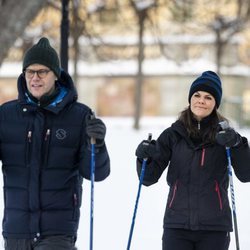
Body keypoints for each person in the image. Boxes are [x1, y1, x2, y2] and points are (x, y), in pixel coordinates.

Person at [0, 37, 110, 250]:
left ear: (56, 75)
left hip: (58, 231)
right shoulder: (6, 115)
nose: (35, 78)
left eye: (42, 72)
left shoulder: (79, 116)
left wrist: (97, 145)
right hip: (16, 230)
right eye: (30, 72)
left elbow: (97, 172)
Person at [135, 71, 250, 250]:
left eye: (208, 97)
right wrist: (144, 158)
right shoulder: (172, 135)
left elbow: (246, 174)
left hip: (215, 228)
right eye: (196, 95)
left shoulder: (225, 136)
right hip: (177, 226)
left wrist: (237, 144)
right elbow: (148, 178)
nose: (201, 100)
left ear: (215, 103)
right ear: (190, 98)